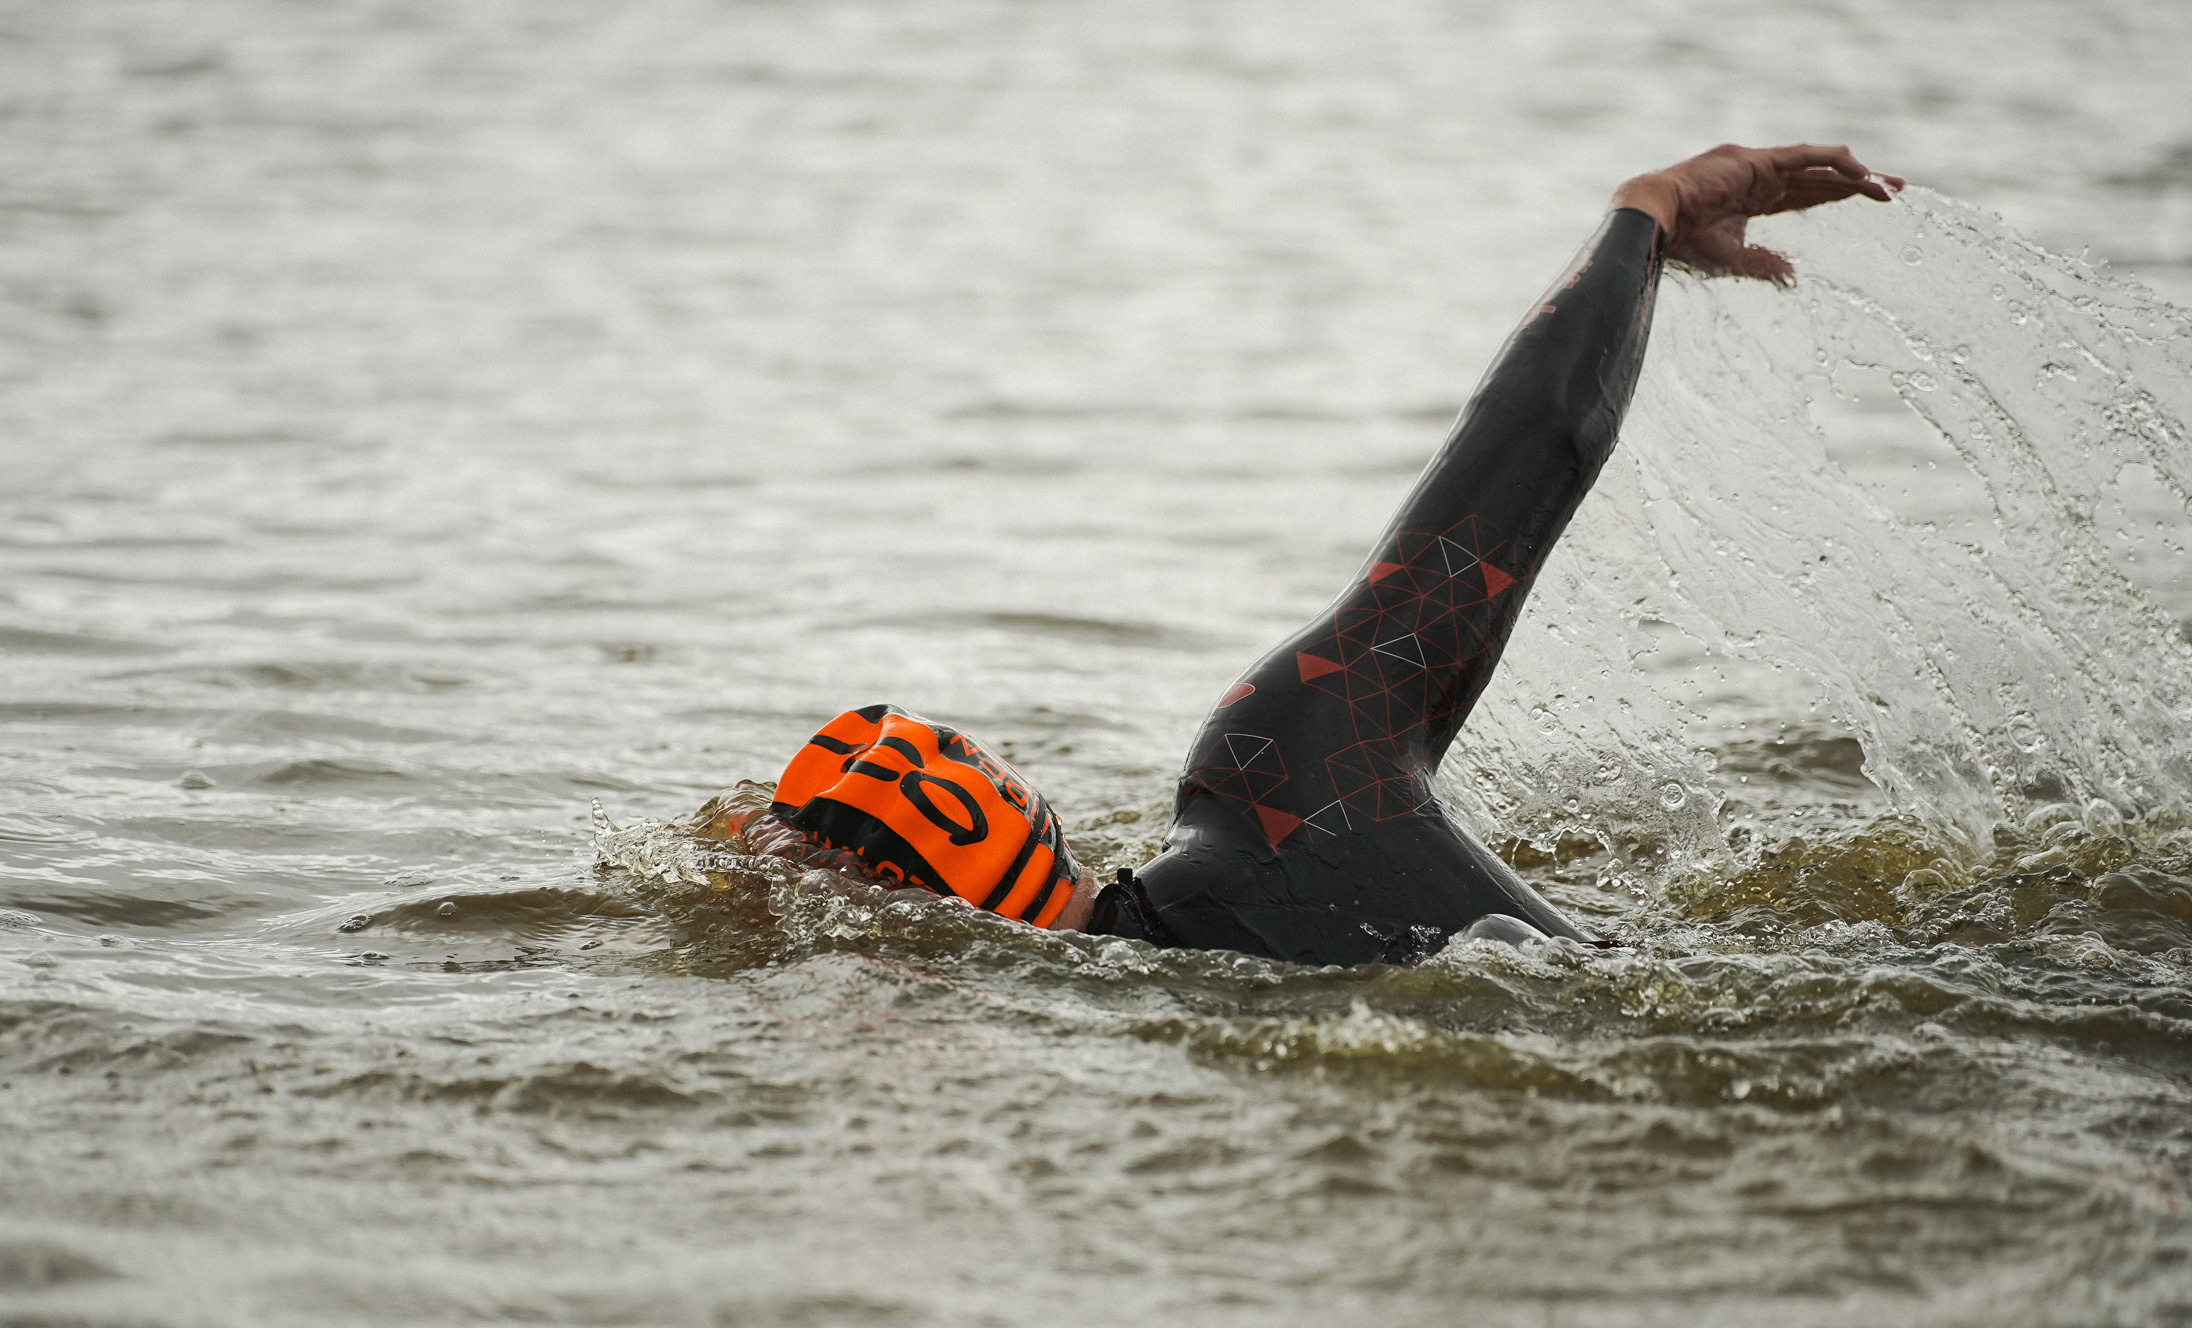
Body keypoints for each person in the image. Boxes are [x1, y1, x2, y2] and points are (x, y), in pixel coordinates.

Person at [745, 145, 1904, 964]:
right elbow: (1515, 468)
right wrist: (1642, 215)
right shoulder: (1279, 774)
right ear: (1027, 814)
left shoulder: (1159, 1026)